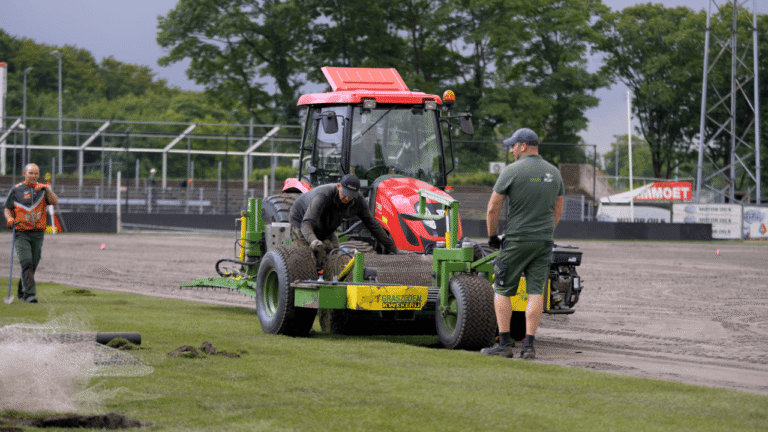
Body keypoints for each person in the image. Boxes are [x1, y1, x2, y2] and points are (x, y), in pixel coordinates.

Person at [481, 128, 564, 359]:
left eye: (513, 146)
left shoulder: (512, 171)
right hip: (543, 241)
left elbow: (493, 207)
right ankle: (529, 346)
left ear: (523, 146)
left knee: (502, 288)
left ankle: (504, 344)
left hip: (517, 239)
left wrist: (492, 236)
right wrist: (547, 232)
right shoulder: (554, 173)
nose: (511, 149)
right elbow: (558, 207)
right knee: (536, 291)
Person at [289, 173, 398, 271]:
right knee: (306, 259)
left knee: (335, 255)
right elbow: (307, 223)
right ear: (338, 186)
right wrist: (313, 240)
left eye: (351, 195)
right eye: (345, 193)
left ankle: (330, 282)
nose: (347, 198)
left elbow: (372, 224)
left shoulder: (358, 201)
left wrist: (394, 249)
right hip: (302, 221)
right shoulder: (323, 195)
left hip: (327, 224)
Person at [4, 163, 59, 303]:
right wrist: (10, 219)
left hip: (38, 234)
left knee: (33, 264)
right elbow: (7, 208)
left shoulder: (42, 190)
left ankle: (22, 292)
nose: (34, 176)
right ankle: (29, 294)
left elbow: (55, 202)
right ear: (24, 173)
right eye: (31, 173)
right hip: (21, 233)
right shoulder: (16, 190)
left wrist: (47, 189)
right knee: (26, 262)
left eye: (36, 174)